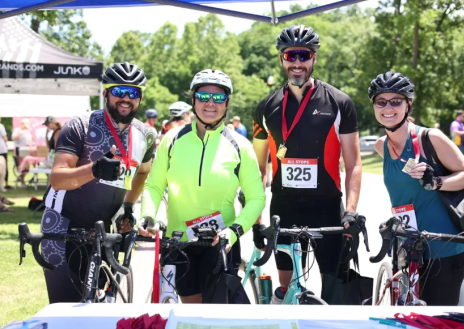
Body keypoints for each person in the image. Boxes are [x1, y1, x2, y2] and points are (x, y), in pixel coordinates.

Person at [251, 25, 362, 304]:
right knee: (286, 288)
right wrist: (256, 220)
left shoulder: (339, 103)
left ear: (313, 59)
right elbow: (258, 170)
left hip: (326, 207)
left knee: (333, 289)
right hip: (284, 207)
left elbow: (354, 164)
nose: (297, 63)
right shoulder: (265, 108)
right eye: (291, 56)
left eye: (304, 55)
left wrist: (350, 211)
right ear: (281, 59)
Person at [140, 69, 265, 304]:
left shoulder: (240, 145)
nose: (210, 103)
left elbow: (256, 198)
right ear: (193, 100)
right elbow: (154, 185)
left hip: (221, 243)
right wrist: (147, 214)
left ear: (227, 103)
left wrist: (234, 231)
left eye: (218, 97)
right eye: (203, 96)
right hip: (178, 241)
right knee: (189, 313)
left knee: (219, 315)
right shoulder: (172, 139)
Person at [40, 62, 156, 303]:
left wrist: (127, 207)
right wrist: (94, 169)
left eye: (133, 92)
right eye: (118, 91)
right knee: (66, 309)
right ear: (105, 94)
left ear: (140, 97)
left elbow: (143, 172)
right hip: (63, 225)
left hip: (103, 230)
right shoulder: (80, 125)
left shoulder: (146, 134)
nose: (126, 98)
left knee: (101, 307)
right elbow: (58, 179)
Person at [370, 71, 464, 306]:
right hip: (409, 245)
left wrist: (437, 182)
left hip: (445, 246)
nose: (388, 107)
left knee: (435, 318)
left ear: (408, 104)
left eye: (396, 101)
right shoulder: (381, 146)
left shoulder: (431, 138)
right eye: (381, 101)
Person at [12, 119, 34, 187]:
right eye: (27, 124)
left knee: (27, 166)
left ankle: (27, 180)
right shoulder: (17, 130)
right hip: (20, 150)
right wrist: (21, 133)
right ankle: (22, 182)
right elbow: (13, 138)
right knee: (23, 166)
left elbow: (31, 139)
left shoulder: (28, 131)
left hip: (27, 150)